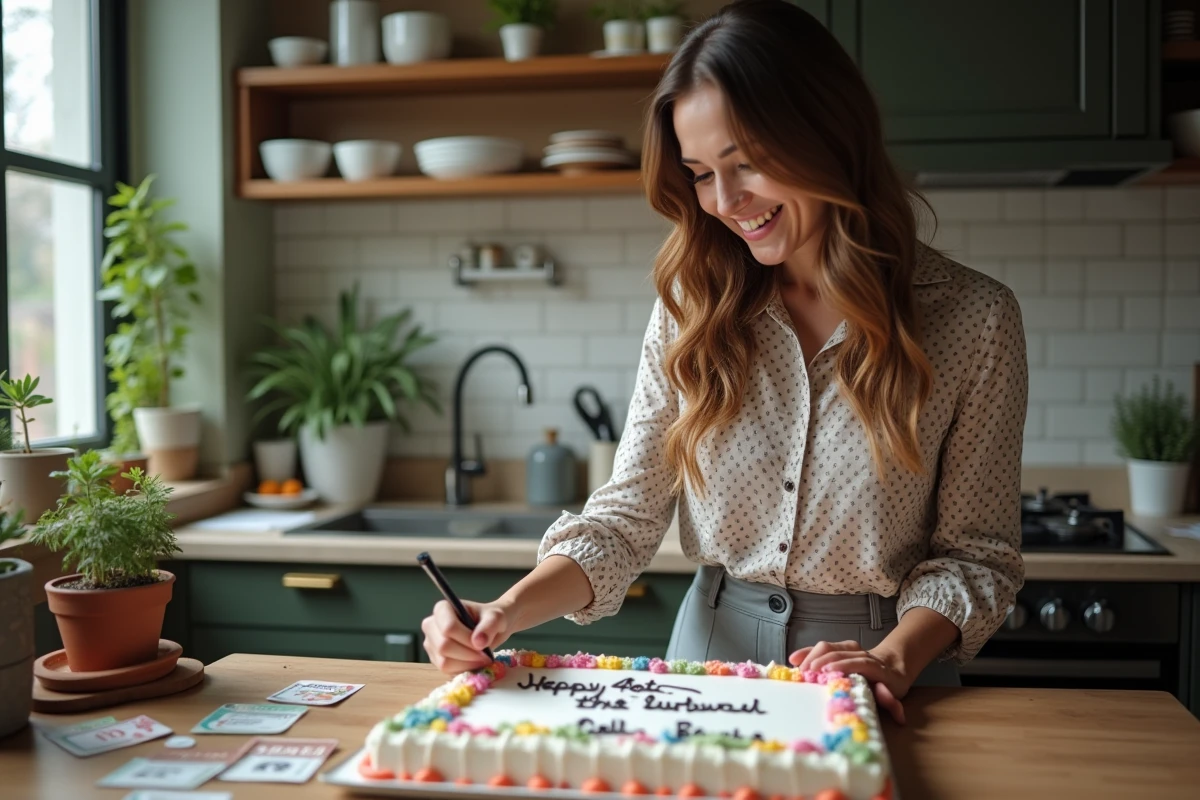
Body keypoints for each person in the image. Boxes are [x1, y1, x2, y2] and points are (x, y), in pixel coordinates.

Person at [421, 0, 1027, 723]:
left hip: (887, 673)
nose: (726, 202)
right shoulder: (692, 305)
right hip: (709, 668)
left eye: (746, 165)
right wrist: (507, 610)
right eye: (701, 173)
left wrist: (894, 657)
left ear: (828, 136)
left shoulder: (974, 318)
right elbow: (625, 517)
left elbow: (976, 557)